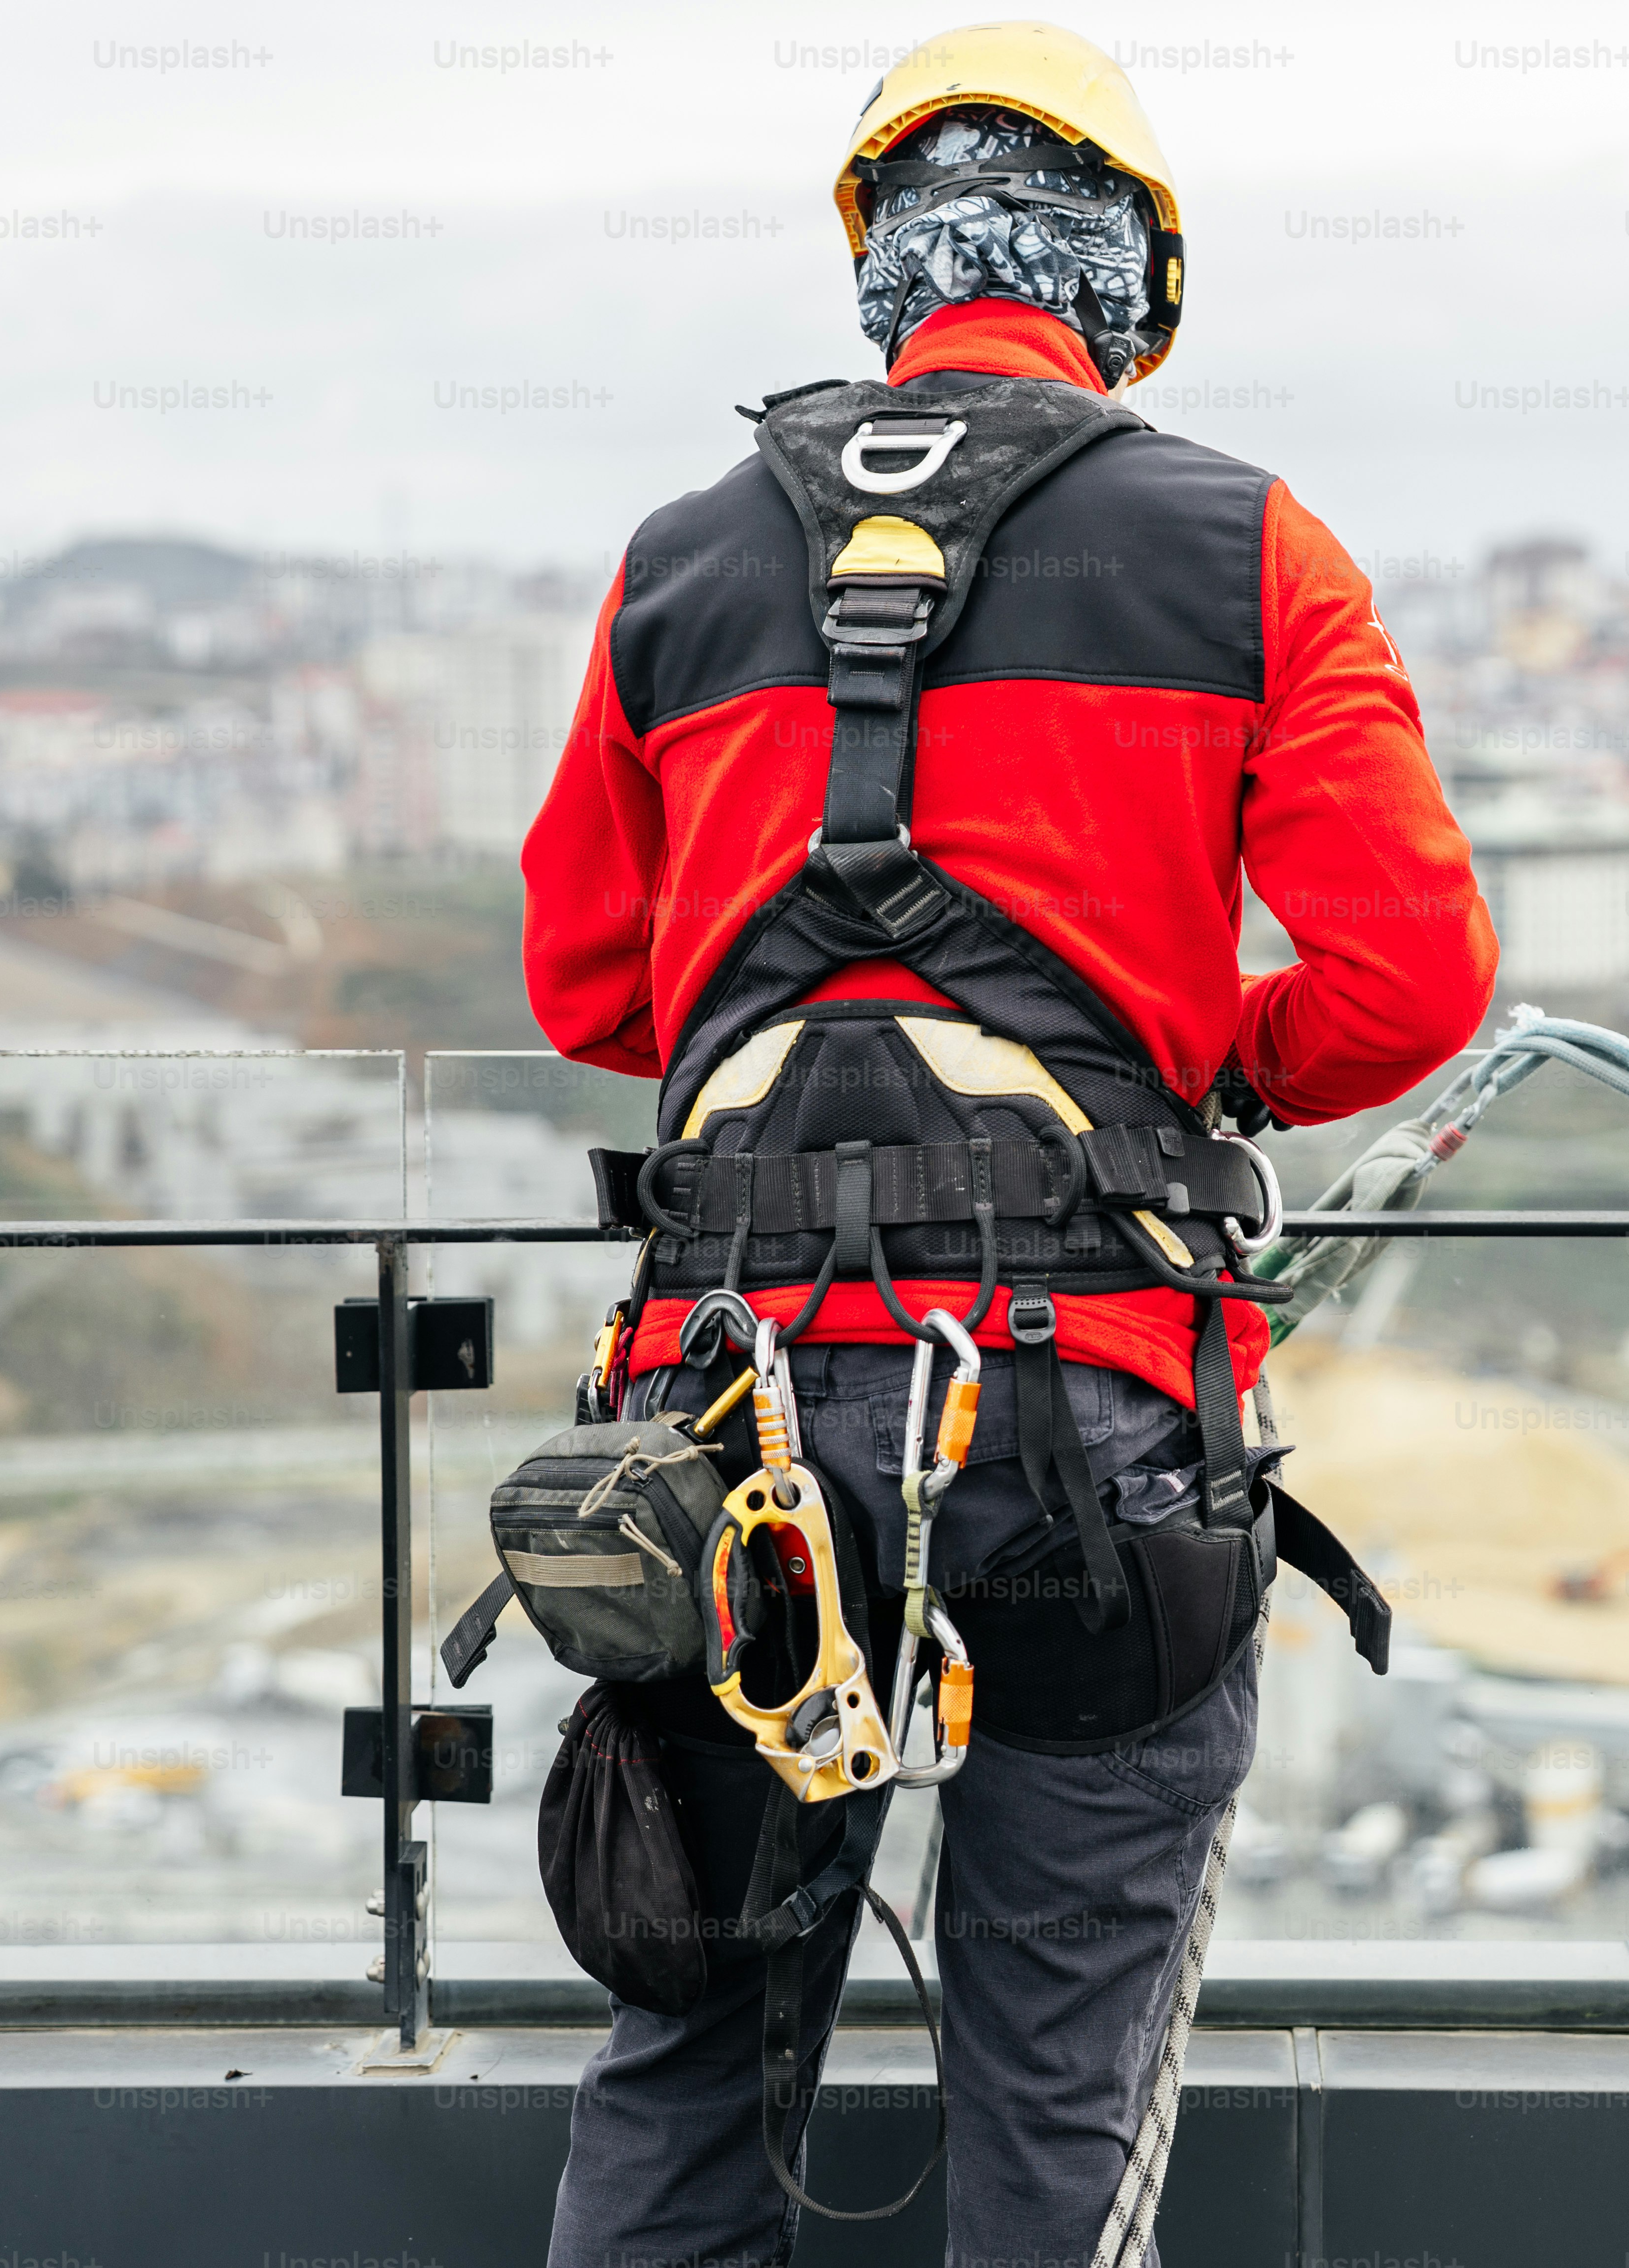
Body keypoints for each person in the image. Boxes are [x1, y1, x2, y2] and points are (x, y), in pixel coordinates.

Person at [519, 23, 1496, 2266]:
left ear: (881, 261)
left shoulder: (680, 563)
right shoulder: (1248, 548)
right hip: (1092, 1419)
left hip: (729, 1422)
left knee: (686, 2065)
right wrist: (1182, 1072)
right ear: (1130, 277)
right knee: (1059, 2108)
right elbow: (1409, 983)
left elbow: (594, 990)